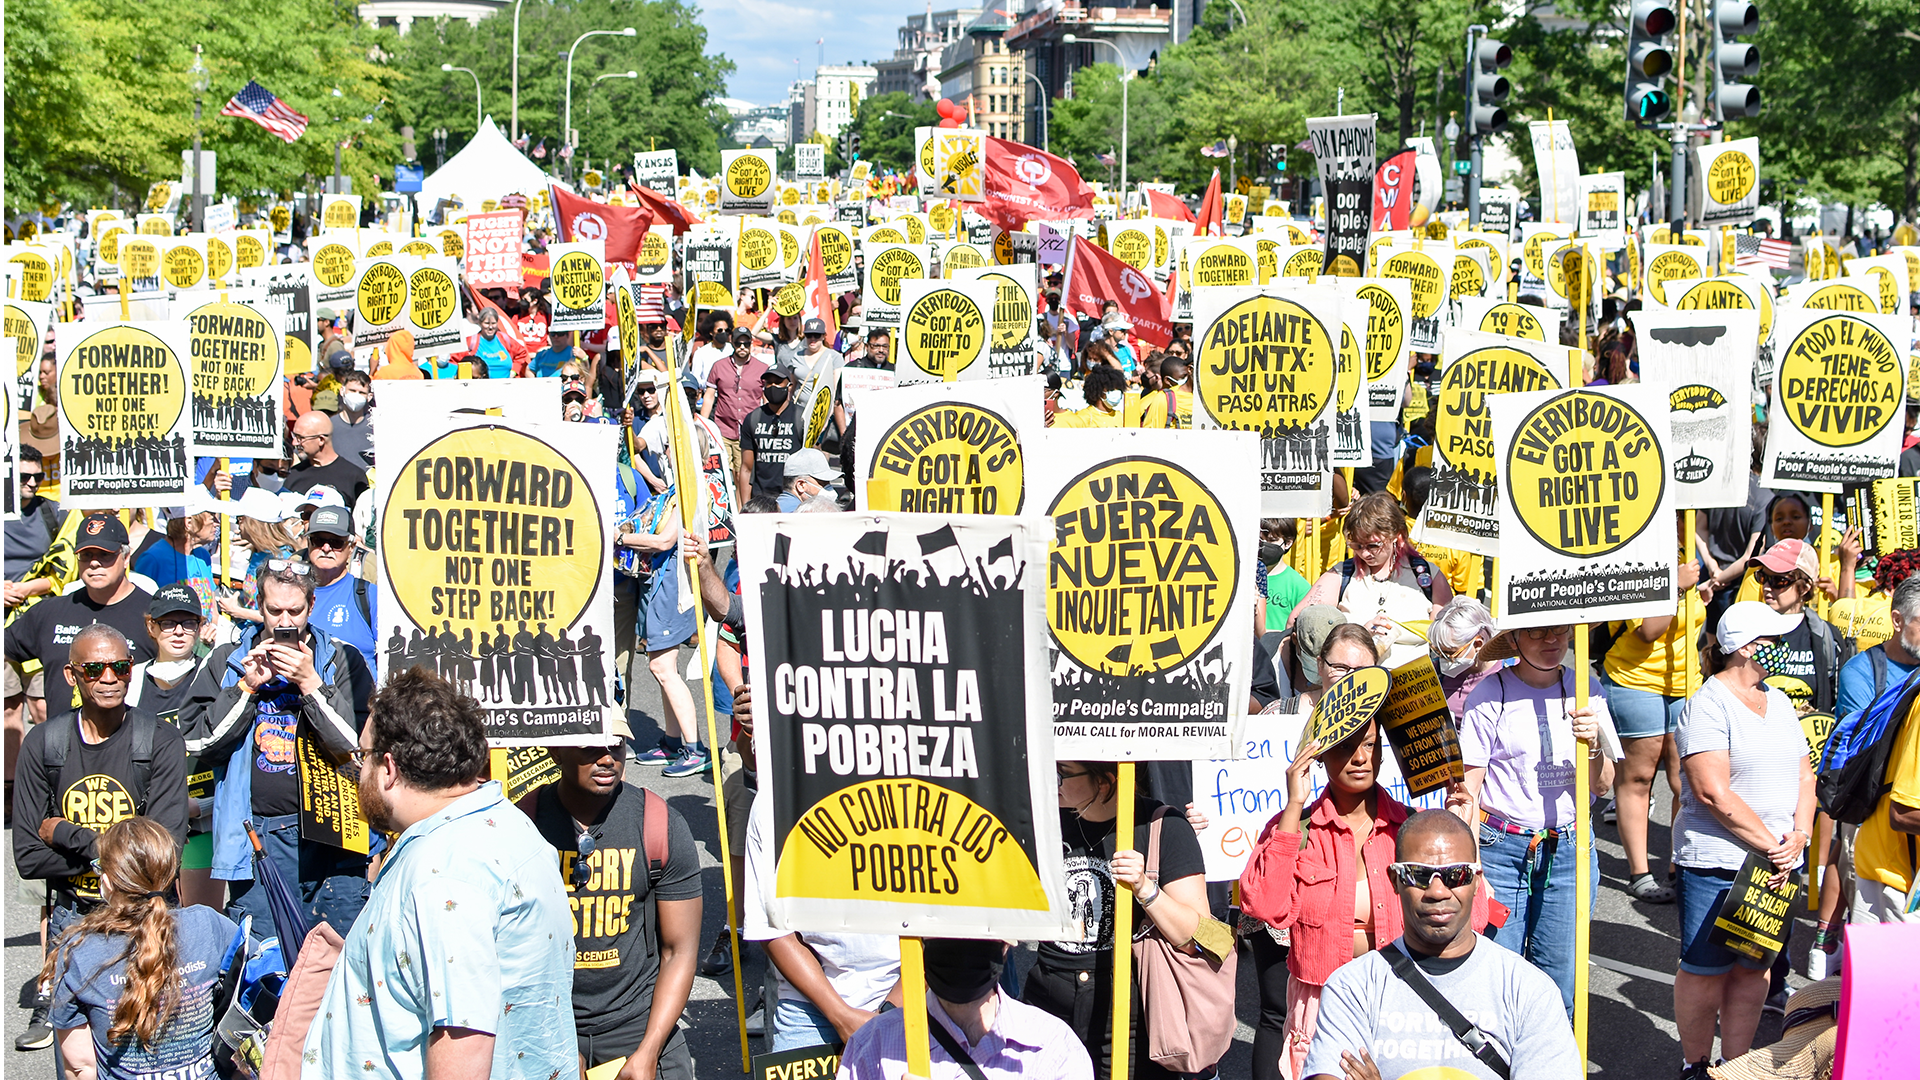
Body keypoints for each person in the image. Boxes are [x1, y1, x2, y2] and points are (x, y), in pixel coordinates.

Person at [303, 666, 576, 1079]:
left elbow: (463, 1042)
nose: (359, 773)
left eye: (363, 757)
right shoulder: (506, 823)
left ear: (389, 768)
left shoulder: (445, 876)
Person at [1239, 676, 1505, 1080]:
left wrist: (1463, 833)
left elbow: (1475, 920)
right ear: (1320, 755)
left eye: (1369, 746)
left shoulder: (1412, 830)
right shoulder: (1297, 830)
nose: (1361, 757)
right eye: (1346, 746)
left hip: (1403, 1003)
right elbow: (1264, 907)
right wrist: (1294, 806)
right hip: (1322, 1006)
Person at [11, 625, 190, 1053]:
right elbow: (29, 859)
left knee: (149, 1049)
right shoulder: (44, 744)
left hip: (145, 919)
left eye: (119, 667)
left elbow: (164, 860)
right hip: (72, 920)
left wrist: (66, 833)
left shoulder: (160, 741)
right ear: (73, 676)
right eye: (94, 668)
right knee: (76, 1060)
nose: (109, 677)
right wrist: (120, 855)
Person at [1300, 810, 1581, 1080]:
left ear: (1476, 882)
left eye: (1455, 875)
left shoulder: (1529, 990)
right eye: (1419, 875)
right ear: (1395, 881)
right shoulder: (1352, 987)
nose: (1437, 892)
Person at [180, 560, 376, 936]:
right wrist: (246, 690)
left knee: (332, 964)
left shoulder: (341, 659)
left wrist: (311, 684)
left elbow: (356, 748)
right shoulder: (228, 660)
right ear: (259, 605)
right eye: (274, 610)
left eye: (295, 611)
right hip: (257, 835)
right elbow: (198, 742)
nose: (284, 622)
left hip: (334, 837)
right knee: (265, 964)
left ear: (312, 606)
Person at [1672, 601, 1816, 1077]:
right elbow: (1712, 791)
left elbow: (1804, 773)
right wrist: (1773, 845)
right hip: (1720, 862)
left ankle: (1736, 1066)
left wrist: (1800, 834)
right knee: (1705, 972)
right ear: (1745, 648)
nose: (1781, 648)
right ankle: (1695, 1066)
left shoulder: (1777, 700)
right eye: (1772, 640)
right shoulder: (1707, 705)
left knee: (1754, 971)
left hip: (1776, 864)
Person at [1449, 622, 1616, 1018]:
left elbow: (1605, 785)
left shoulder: (1587, 689)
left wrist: (1594, 746)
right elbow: (1468, 792)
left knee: (1561, 984)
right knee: (1496, 979)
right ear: (1515, 641)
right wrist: (1473, 867)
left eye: (1560, 632)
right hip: (1500, 851)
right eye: (1539, 633)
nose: (1552, 642)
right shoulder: (1490, 694)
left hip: (1569, 849)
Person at [525, 718, 703, 1076]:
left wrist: (649, 1050)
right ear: (555, 751)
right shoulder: (522, 826)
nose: (607, 758)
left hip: (639, 1026)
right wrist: (551, 1042)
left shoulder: (659, 825)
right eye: (591, 747)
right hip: (547, 1023)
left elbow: (678, 951)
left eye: (617, 744)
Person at [1025, 760, 1210, 1080]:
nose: (1051, 781)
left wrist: (1146, 889)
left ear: (1105, 782)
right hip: (1047, 1010)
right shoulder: (1042, 818)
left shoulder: (1161, 826)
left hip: (1131, 1022)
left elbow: (1200, 937)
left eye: (1062, 773)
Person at [43, 817, 240, 1080]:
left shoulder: (78, 951)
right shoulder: (210, 925)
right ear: (170, 871)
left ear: (109, 881)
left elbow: (82, 1067)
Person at [1597, 522, 1711, 904]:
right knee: (1639, 779)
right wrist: (1676, 587)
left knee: (1686, 780)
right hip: (1635, 683)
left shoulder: (1683, 553)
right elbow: (1648, 629)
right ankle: (1640, 873)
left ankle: (1680, 864)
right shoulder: (1631, 558)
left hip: (1685, 685)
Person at [744, 788, 902, 1049]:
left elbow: (942, 933)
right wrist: (841, 1017)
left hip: (910, 990)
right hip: (811, 1001)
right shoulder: (774, 802)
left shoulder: (916, 791)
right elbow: (772, 929)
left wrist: (889, 1011)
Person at [838, 938, 1094, 1080]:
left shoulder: (1053, 1049)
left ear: (1007, 942)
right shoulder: (873, 1046)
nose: (960, 946)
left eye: (976, 933)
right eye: (944, 932)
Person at [6, 514, 158, 734]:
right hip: (62, 752)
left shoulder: (153, 614)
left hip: (131, 748)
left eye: (105, 555)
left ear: (125, 558)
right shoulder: (50, 612)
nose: (94, 563)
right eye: (86, 555)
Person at [1293, 493, 1452, 670]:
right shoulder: (1342, 574)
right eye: (1357, 546)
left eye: (1373, 545)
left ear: (1396, 537)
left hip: (1414, 686)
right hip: (1355, 684)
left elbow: (1448, 636)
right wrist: (1358, 635)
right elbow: (1300, 622)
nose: (1365, 553)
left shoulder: (1427, 575)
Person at [1746, 538, 1851, 714]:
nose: (1766, 587)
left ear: (1804, 587)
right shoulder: (1747, 631)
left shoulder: (1826, 636)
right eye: (1762, 577)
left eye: (1778, 580)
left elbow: (1839, 699)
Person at [305, 505, 379, 663]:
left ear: (351, 547)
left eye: (336, 542)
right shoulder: (292, 593)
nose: (326, 548)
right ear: (308, 543)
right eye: (318, 540)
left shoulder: (369, 595)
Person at [739, 356, 805, 506]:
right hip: (761, 498)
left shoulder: (801, 417)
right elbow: (746, 468)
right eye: (769, 383)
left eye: (778, 382)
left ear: (789, 385)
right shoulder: (753, 418)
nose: (772, 386)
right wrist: (745, 506)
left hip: (793, 498)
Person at [707, 327, 769, 481]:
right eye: (738, 343)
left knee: (743, 475)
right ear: (732, 342)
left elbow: (766, 399)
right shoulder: (718, 366)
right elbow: (709, 396)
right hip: (724, 429)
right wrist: (703, 425)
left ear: (751, 344)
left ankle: (742, 505)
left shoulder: (762, 368)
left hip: (751, 430)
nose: (742, 347)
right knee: (724, 475)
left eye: (746, 343)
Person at [1427, 598, 1498, 721]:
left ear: (1477, 644)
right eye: (1438, 652)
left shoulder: (1510, 673)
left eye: (1450, 653)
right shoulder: (1436, 673)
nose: (1444, 659)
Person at [285, 411, 371, 505]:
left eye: (300, 438)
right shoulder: (292, 475)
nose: (294, 443)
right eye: (294, 436)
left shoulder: (353, 476)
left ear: (321, 440)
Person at [1049, 365, 1127, 429]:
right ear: (1099, 391)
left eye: (1118, 389)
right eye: (1112, 389)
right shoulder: (1084, 417)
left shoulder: (1122, 417)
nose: (1117, 392)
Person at [330, 369, 375, 467]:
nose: (356, 395)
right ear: (342, 391)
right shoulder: (329, 425)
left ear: (369, 397)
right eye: (352, 390)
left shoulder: (375, 426)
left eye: (362, 392)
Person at [779, 448, 842, 512]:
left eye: (828, 483)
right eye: (822, 484)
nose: (829, 488)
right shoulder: (803, 513)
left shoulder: (779, 506)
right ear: (801, 485)